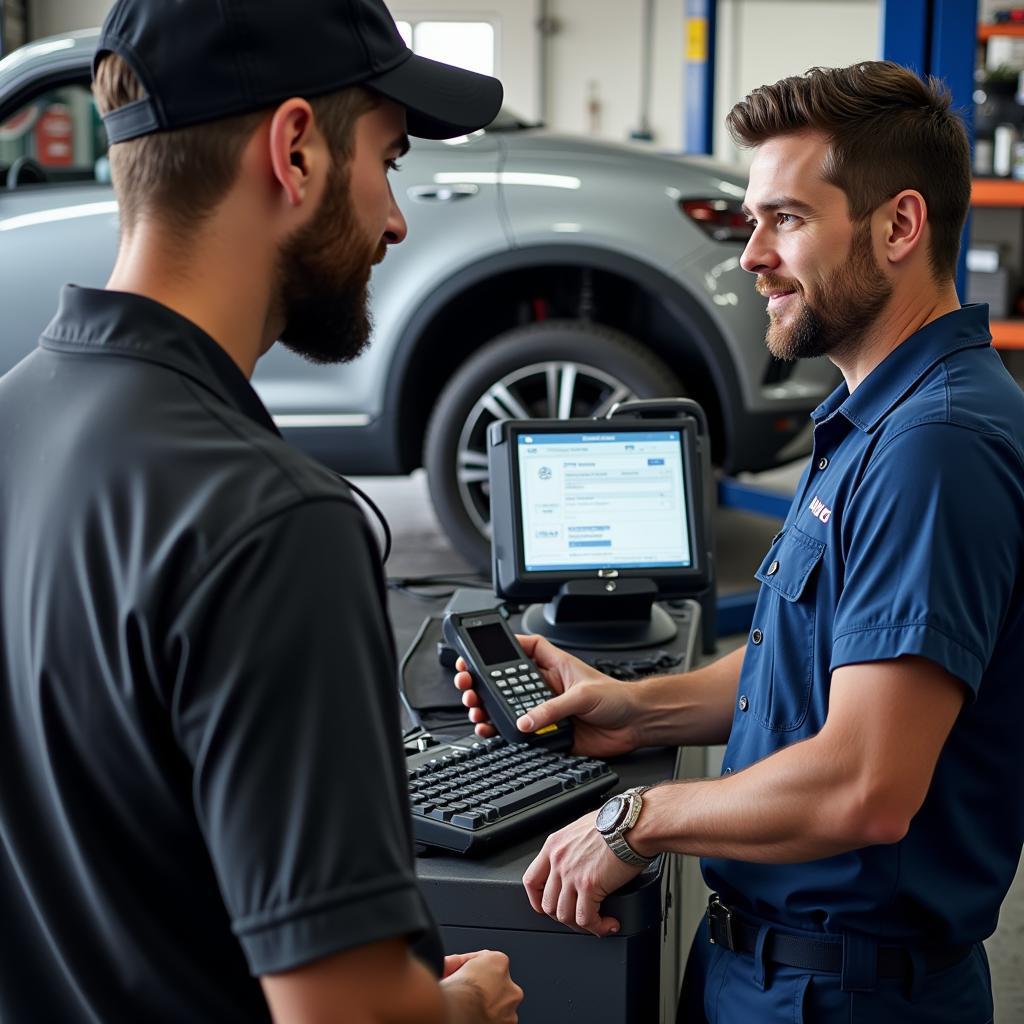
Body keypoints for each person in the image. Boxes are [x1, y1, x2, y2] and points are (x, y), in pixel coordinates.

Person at [456, 61, 1024, 1022]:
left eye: (786, 220)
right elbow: (811, 663)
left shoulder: (936, 447)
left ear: (899, 227)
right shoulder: (873, 415)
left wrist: (639, 817)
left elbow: (865, 782)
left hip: (842, 995)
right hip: (772, 967)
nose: (752, 254)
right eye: (754, 219)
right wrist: (635, 710)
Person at [0, 1, 524, 1022]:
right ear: (295, 152)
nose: (396, 218)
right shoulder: (270, 523)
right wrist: (462, 1007)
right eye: (390, 157)